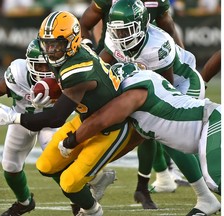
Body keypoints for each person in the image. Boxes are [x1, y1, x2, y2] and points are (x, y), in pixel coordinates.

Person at [0, 11, 143, 216]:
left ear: (72, 41)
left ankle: (93, 212)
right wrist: (50, 93)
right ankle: (96, 183)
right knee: (45, 165)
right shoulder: (68, 54)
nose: (50, 50)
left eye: (57, 43)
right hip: (87, 118)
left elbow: (55, 118)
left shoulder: (78, 70)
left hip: (109, 127)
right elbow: (66, 90)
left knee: (69, 183)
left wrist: (15, 118)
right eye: (47, 43)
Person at [0, 38, 115, 216]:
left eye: (48, 66)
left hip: (52, 122)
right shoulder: (19, 74)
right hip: (21, 119)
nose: (45, 72)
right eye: (39, 67)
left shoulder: (66, 73)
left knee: (53, 155)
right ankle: (24, 202)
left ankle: (80, 200)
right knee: (10, 165)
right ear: (29, 65)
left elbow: (57, 116)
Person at [60, 62, 221, 216]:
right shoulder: (142, 108)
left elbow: (101, 120)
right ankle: (206, 200)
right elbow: (127, 144)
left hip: (212, 120)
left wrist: (72, 141)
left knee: (215, 178)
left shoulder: (135, 92)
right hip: (206, 127)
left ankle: (206, 197)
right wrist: (94, 166)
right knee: (209, 174)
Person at [80, 0, 187, 208]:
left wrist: (183, 59)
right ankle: (91, 175)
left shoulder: (157, 38)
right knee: (92, 117)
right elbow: (85, 24)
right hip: (114, 55)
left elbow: (168, 28)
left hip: (149, 59)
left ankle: (145, 186)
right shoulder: (112, 31)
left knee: (149, 124)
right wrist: (90, 54)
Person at [100, 0, 206, 208]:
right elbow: (101, 66)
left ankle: (206, 191)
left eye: (126, 31)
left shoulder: (156, 45)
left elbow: (167, 87)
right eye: (117, 31)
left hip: (183, 81)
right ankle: (144, 187)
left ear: (140, 25)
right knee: (146, 127)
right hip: (153, 81)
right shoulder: (114, 40)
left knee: (173, 135)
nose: (120, 36)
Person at [80, 0, 184, 54]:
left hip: (146, 57)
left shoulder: (157, 2)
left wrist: (184, 57)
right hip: (110, 54)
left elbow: (170, 31)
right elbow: (84, 24)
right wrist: (88, 50)